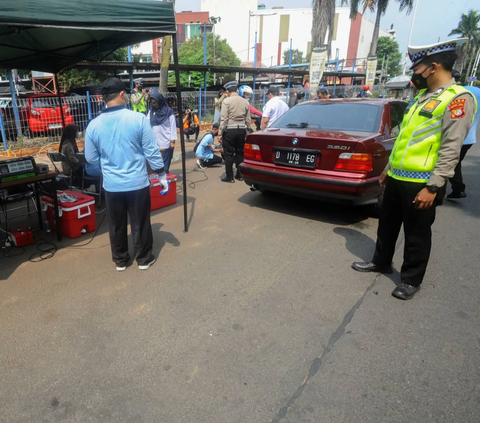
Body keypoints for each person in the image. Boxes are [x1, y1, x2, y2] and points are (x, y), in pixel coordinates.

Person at [351, 39, 477, 300]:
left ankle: (411, 279)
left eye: (416, 69)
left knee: (417, 232)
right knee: (387, 225)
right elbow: (403, 138)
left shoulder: (457, 100)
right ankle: (381, 261)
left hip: (422, 182)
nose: (414, 74)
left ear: (432, 67)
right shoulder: (421, 97)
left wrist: (434, 185)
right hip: (397, 176)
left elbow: (452, 148)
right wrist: (388, 168)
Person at [85, 77, 169, 272]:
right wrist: (161, 175)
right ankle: (144, 259)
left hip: (112, 186)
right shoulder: (138, 119)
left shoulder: (93, 125)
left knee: (115, 224)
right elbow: (151, 151)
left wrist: (108, 164)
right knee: (140, 222)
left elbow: (90, 157)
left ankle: (121, 261)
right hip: (137, 184)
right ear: (122, 94)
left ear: (104, 98)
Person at [447, 69, 480, 198]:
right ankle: (457, 188)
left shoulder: (453, 92)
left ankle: (455, 188)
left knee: (448, 163)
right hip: (470, 138)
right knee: (455, 163)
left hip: (454, 136)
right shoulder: (477, 91)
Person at [218, 81, 252, 183]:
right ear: (237, 90)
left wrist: (220, 133)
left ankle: (229, 177)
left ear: (227, 91)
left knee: (228, 154)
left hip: (230, 130)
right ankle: (239, 174)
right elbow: (248, 119)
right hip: (241, 129)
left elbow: (223, 119)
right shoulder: (245, 102)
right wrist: (248, 130)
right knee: (240, 152)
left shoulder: (226, 101)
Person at [148, 91, 177, 174]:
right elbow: (146, 123)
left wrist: (172, 140)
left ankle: (165, 180)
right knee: (156, 164)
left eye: (155, 102)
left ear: (160, 101)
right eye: (152, 103)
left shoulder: (169, 112)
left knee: (165, 163)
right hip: (155, 142)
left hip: (166, 142)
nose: (154, 104)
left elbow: (173, 126)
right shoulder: (152, 112)